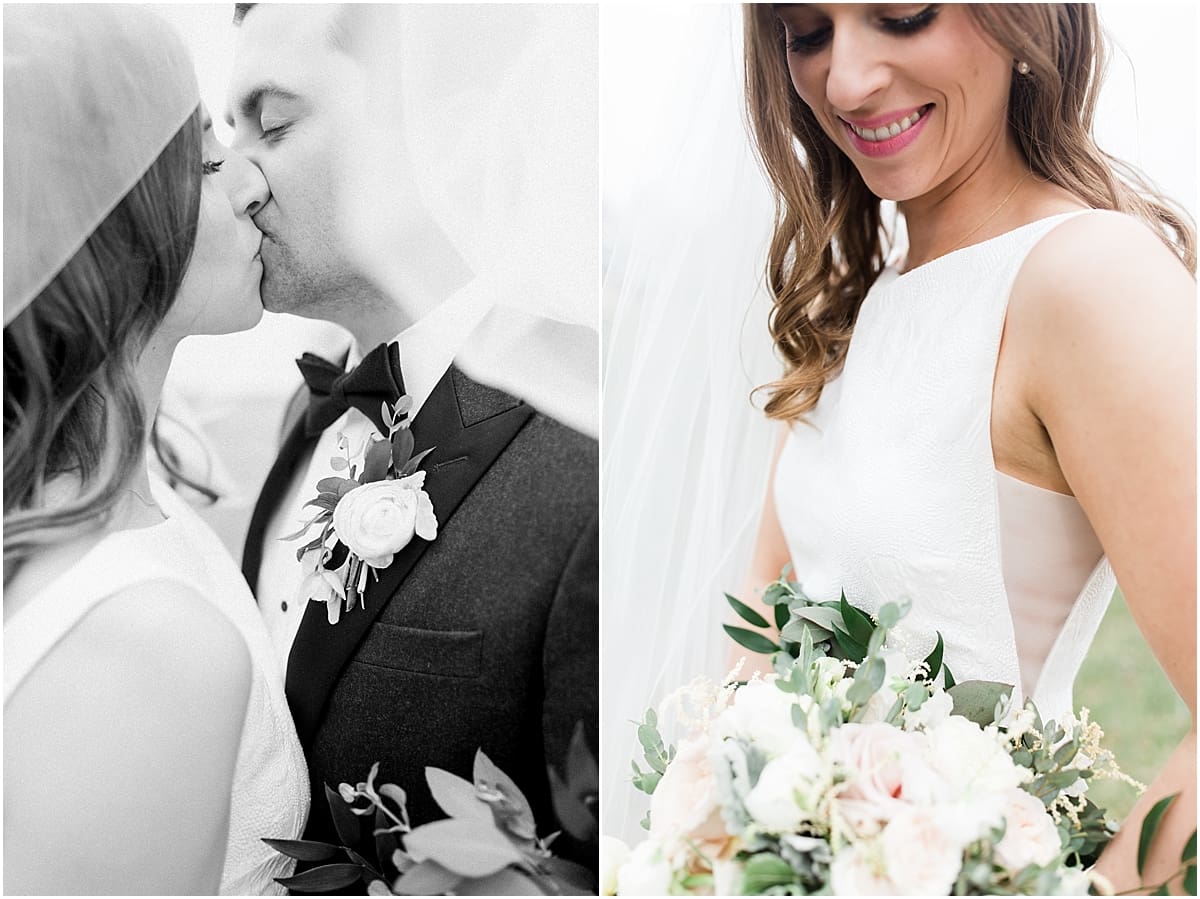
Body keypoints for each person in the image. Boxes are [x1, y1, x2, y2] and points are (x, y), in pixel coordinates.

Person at [734, 3, 1193, 892]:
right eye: (806, 33)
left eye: (902, 15)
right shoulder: (860, 300)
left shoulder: (1087, 278)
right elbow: (766, 616)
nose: (846, 79)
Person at [226, 3, 599, 870]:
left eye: (271, 125)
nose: (235, 178)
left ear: (430, 122)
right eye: (228, 131)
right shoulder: (308, 416)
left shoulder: (583, 457)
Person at [3, 6, 308, 894]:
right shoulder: (145, 648)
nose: (250, 186)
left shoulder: (141, 503)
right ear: (123, 236)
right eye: (209, 164)